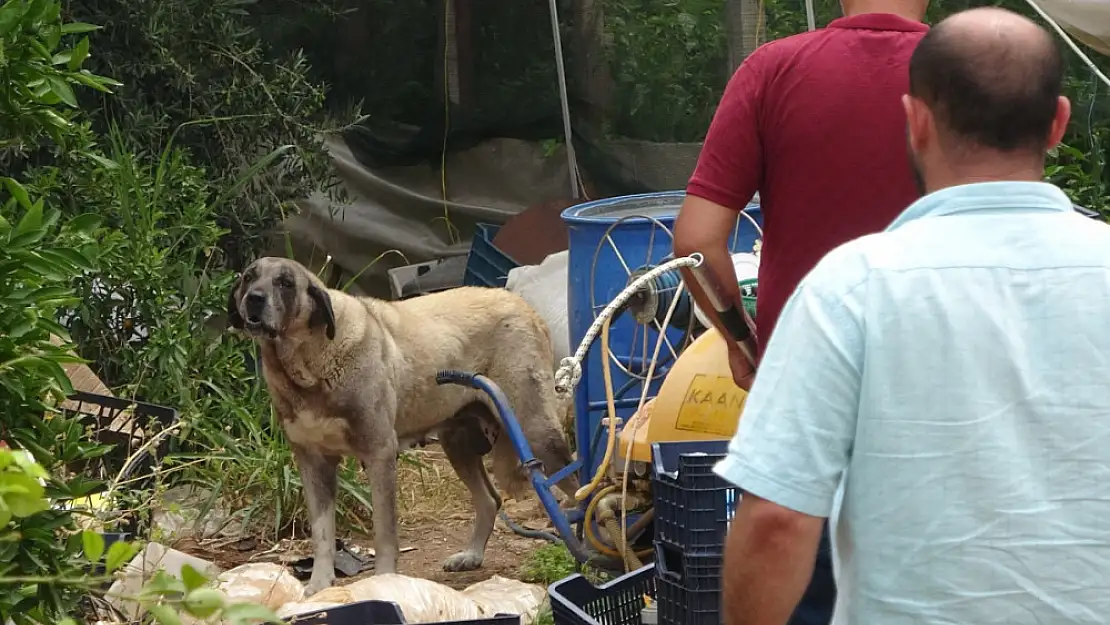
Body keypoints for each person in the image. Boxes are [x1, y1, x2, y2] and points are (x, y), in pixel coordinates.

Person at [714, 7, 1110, 625]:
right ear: (1057, 123)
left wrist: (740, 339)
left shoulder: (851, 288)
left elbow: (777, 522)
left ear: (916, 122)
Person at [673, 1, 928, 623]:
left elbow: (697, 241)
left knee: (806, 586)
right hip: (941, 394)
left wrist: (741, 340)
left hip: (809, 386)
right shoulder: (973, 69)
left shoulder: (775, 68)